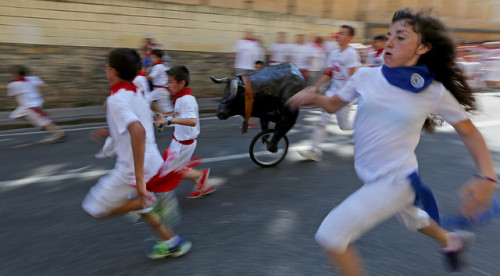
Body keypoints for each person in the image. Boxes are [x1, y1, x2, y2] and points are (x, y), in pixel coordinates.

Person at [287, 8, 497, 275]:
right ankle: (452, 240)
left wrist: (487, 175)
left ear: (423, 47)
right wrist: (315, 97)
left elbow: (468, 131)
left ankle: (451, 239)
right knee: (415, 219)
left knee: (331, 236)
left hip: (397, 181)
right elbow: (333, 104)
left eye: (400, 37)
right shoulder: (364, 76)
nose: (388, 42)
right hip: (371, 175)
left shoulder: (432, 91)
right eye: (389, 35)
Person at [82, 48, 191, 259]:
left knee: (95, 207)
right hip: (151, 161)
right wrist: (111, 131)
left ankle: (149, 200)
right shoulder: (137, 95)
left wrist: (140, 181)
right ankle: (172, 242)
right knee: (142, 205)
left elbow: (138, 131)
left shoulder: (117, 99)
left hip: (133, 167)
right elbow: (141, 124)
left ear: (112, 71)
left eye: (107, 67)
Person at [298, 25, 361, 161]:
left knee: (344, 126)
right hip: (332, 92)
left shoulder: (351, 54)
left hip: (344, 96)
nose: (339, 36)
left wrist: (345, 96)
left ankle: (362, 124)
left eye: (343, 34)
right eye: (339, 33)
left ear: (350, 38)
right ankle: (314, 150)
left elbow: (352, 77)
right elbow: (329, 72)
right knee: (322, 120)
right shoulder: (334, 53)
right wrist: (316, 85)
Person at [155, 65, 216, 199]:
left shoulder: (186, 99)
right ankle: (201, 183)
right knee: (172, 168)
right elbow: (178, 113)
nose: (167, 85)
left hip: (183, 144)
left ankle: (200, 176)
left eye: (171, 82)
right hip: (180, 141)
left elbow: (192, 121)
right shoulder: (181, 97)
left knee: (170, 171)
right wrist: (165, 116)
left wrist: (169, 121)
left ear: (181, 83)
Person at [7, 65, 66, 143]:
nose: (10, 75)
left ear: (16, 74)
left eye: (11, 73)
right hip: (26, 105)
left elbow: (11, 96)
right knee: (15, 115)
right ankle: (40, 124)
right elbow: (43, 85)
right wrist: (48, 89)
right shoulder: (33, 78)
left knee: (44, 120)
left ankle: (59, 134)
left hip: (31, 105)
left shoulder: (13, 85)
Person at [146, 49, 173, 114]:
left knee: (166, 110)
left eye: (153, 57)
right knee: (163, 108)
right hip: (161, 90)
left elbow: (150, 78)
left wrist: (140, 76)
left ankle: (174, 120)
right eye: (151, 57)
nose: (151, 59)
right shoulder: (163, 66)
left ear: (159, 58)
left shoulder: (158, 66)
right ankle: (162, 117)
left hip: (161, 90)